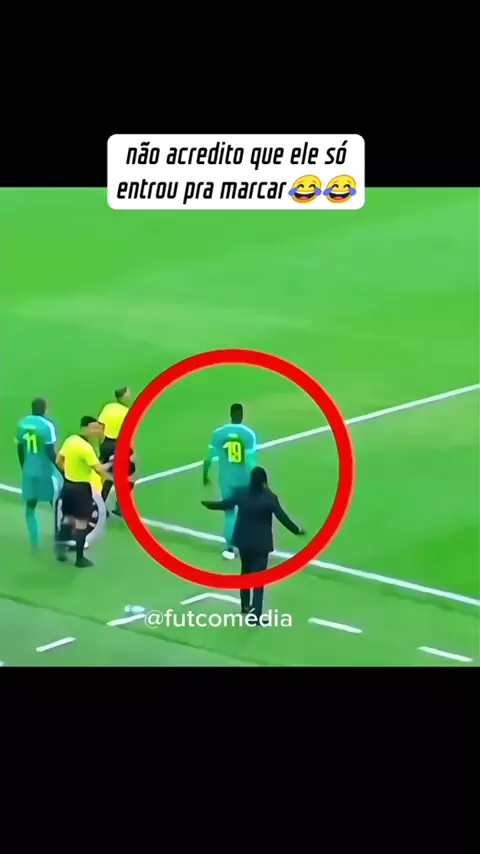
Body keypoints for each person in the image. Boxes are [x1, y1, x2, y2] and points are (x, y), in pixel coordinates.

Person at [202, 466, 304, 622]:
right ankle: (255, 615)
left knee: (245, 573)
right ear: (264, 481)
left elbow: (225, 504)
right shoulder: (269, 499)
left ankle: (245, 606)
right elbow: (282, 517)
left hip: (243, 541)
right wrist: (296, 530)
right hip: (261, 544)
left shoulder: (241, 493)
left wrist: (209, 504)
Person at [55, 416, 114, 567]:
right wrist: (112, 466)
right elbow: (99, 469)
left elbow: (59, 460)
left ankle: (60, 551)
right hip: (81, 489)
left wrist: (66, 472)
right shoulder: (85, 448)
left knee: (67, 518)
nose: (96, 431)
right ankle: (79, 559)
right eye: (93, 428)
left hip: (67, 486)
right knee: (81, 523)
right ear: (85, 427)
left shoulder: (70, 440)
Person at [202, 403, 257, 560]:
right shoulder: (248, 434)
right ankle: (249, 546)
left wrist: (205, 476)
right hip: (244, 480)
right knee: (248, 513)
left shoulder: (218, 433)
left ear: (230, 414)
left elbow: (208, 458)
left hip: (226, 480)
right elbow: (250, 462)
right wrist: (258, 479)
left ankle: (229, 548)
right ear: (242, 415)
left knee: (229, 513)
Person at [15, 398, 63, 547]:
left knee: (30, 507)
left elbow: (20, 449)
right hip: (45, 472)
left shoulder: (22, 423)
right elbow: (50, 451)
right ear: (45, 409)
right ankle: (61, 536)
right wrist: (61, 468)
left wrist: (24, 467)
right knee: (56, 504)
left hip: (29, 470)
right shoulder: (47, 426)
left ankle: (34, 541)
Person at [98, 386, 135, 517]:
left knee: (108, 475)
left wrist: (101, 443)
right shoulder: (127, 412)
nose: (130, 395)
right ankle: (120, 506)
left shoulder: (108, 407)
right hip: (119, 445)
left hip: (105, 444)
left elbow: (100, 425)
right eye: (128, 393)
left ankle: (101, 506)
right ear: (123, 397)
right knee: (128, 476)